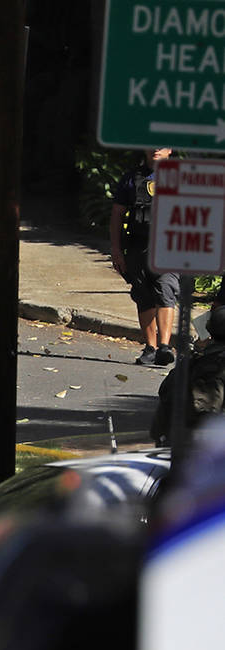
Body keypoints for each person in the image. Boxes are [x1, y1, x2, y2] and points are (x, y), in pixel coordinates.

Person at [109, 148, 180, 366]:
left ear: (171, 150)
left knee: (166, 290)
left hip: (170, 247)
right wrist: (116, 251)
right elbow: (117, 216)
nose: (156, 148)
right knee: (143, 295)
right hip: (138, 248)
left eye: (162, 145)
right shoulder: (132, 179)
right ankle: (150, 348)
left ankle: (165, 347)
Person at [150, 306, 225, 446]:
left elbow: (158, 425)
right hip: (202, 453)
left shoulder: (191, 364)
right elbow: (205, 413)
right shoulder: (213, 369)